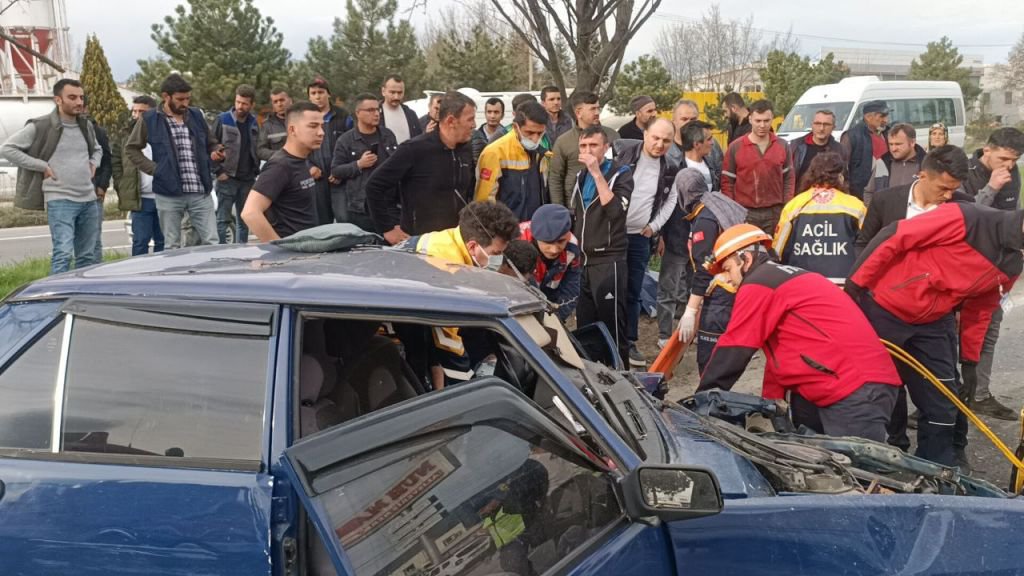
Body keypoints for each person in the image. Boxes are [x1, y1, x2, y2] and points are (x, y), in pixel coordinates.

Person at [847, 200, 1022, 466]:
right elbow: (894, 236)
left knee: (943, 401)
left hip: (935, 320)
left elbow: (981, 309)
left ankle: (935, 468)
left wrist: (970, 361)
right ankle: (887, 457)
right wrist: (856, 285)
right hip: (885, 307)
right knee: (883, 389)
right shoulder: (967, 216)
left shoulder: (1013, 262)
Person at [698, 223, 902, 443]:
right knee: (809, 459)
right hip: (845, 383)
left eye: (728, 269)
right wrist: (772, 400)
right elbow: (783, 348)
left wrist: (702, 399)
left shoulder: (759, 282)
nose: (727, 280)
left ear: (745, 259)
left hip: (854, 389)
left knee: (855, 473)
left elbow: (735, 347)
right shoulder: (785, 277)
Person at [405, 201, 520, 388]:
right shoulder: (447, 266)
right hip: (400, 320)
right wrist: (466, 381)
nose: (498, 260)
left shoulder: (456, 239)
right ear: (473, 245)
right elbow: (447, 337)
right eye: (496, 253)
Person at [1, 78, 103, 274]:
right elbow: (8, 149)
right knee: (63, 253)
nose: (79, 102)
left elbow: (97, 149)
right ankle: (55, 297)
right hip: (60, 198)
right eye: (72, 97)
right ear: (58, 100)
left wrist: (94, 163)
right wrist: (42, 166)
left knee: (88, 255)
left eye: (81, 97)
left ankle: (82, 296)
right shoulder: (41, 125)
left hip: (89, 199)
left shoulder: (86, 125)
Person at [961, 127, 1024, 420]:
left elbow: (1010, 218)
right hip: (965, 266)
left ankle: (980, 394)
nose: (1009, 166)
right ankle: (953, 394)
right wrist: (991, 189)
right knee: (956, 333)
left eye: (1015, 160)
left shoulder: (1013, 175)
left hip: (998, 268)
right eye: (1004, 158)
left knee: (990, 330)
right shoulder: (965, 171)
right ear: (987, 150)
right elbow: (963, 216)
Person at [366, 91, 477, 245]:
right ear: (451, 120)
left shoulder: (465, 150)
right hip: (420, 243)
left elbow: (468, 192)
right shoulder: (414, 149)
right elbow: (374, 186)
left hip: (454, 242)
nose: (474, 125)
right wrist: (387, 228)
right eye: (470, 119)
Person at [124, 73, 219, 249]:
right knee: (171, 246)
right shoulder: (150, 119)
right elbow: (131, 149)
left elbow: (211, 143)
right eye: (180, 99)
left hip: (200, 190)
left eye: (188, 99)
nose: (185, 103)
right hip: (168, 192)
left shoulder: (196, 115)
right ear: (166, 97)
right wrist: (155, 169)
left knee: (211, 241)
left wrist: (216, 152)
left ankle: (209, 275)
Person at [614, 118, 679, 366]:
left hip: (639, 237)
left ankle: (629, 341)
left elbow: (672, 199)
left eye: (666, 140)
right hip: (612, 233)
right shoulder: (622, 154)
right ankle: (606, 337)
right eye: (656, 138)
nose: (660, 144)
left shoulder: (672, 167)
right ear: (645, 134)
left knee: (633, 291)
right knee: (609, 287)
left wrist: (654, 227)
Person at [569, 125, 634, 363]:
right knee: (587, 327)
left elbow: (616, 211)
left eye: (593, 146)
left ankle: (622, 374)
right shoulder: (579, 176)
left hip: (609, 260)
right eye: (583, 146)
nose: (588, 151)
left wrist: (597, 174)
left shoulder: (621, 173)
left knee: (613, 325)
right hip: (584, 262)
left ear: (605, 148)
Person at [673, 168, 747, 372]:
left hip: (721, 294)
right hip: (738, 285)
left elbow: (705, 267)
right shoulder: (719, 204)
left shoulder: (705, 220)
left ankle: (712, 399)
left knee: (709, 361)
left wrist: (690, 310)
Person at [655, 121, 714, 348]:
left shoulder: (710, 166)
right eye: (708, 139)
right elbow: (663, 204)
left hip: (703, 240)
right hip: (677, 238)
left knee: (697, 285)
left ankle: (692, 329)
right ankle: (664, 335)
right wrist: (660, 235)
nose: (712, 143)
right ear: (697, 144)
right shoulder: (673, 168)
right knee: (668, 286)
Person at [774, 153, 865, 285]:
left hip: (803, 285)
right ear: (840, 176)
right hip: (843, 286)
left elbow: (778, 250)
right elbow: (868, 248)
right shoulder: (856, 206)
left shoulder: (794, 205)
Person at [856, 145, 969, 252]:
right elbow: (863, 245)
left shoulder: (964, 206)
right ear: (923, 176)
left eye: (954, 189)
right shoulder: (884, 201)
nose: (948, 196)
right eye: (943, 189)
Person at [241, 101, 323, 241]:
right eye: (313, 126)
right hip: (292, 258)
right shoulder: (280, 166)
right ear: (292, 130)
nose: (321, 132)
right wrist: (280, 250)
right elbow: (250, 213)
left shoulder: (301, 160)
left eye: (322, 126)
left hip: (307, 253)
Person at [721, 99, 794, 234]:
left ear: (772, 119)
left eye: (766, 121)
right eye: (758, 121)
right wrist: (732, 211)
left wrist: (786, 206)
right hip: (744, 212)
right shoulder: (735, 147)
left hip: (774, 213)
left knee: (774, 253)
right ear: (750, 119)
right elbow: (727, 182)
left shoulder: (782, 146)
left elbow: (788, 179)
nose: (762, 125)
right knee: (748, 254)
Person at [330, 93, 399, 232]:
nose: (376, 114)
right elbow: (336, 170)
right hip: (361, 207)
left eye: (377, 109)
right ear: (358, 113)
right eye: (370, 110)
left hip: (389, 204)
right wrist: (358, 165)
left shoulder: (387, 135)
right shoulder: (346, 140)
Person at [475, 101, 548, 222]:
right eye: (529, 133)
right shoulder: (495, 152)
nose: (535, 139)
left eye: (540, 133)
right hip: (506, 229)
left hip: (533, 227)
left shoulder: (541, 154)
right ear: (515, 127)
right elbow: (485, 202)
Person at [549, 91, 619, 208]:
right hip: (575, 207)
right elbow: (556, 178)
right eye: (592, 109)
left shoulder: (612, 136)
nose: (597, 113)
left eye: (598, 108)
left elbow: (620, 169)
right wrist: (560, 210)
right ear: (578, 112)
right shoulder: (564, 141)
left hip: (606, 205)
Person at [113, 95, 163, 255]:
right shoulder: (124, 136)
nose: (136, 115)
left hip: (164, 196)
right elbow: (116, 162)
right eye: (134, 111)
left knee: (163, 241)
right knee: (140, 241)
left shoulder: (162, 133)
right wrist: (121, 185)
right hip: (140, 199)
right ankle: (138, 275)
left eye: (141, 111)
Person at [211, 84, 260, 244]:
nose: (240, 106)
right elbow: (210, 146)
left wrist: (255, 171)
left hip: (247, 180)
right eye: (238, 102)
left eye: (245, 103)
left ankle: (242, 254)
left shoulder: (254, 123)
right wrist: (219, 172)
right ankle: (220, 254)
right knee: (222, 220)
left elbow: (257, 148)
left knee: (244, 220)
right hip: (227, 178)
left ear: (251, 104)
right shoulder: (222, 119)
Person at [518, 204, 581, 322]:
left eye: (561, 241)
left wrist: (554, 320)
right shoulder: (517, 240)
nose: (554, 249)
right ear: (535, 236)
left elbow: (571, 289)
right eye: (548, 242)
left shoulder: (572, 247)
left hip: (550, 303)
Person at [306, 76, 351, 225]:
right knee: (321, 224)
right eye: (313, 93)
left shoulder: (343, 116)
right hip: (316, 180)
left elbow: (352, 145)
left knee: (345, 221)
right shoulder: (304, 118)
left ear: (328, 93)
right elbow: (297, 147)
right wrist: (309, 167)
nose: (317, 96)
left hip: (340, 181)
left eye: (321, 92)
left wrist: (341, 171)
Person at [667, 99, 723, 188]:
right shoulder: (666, 149)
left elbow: (720, 173)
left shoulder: (712, 143)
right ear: (674, 121)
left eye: (693, 119)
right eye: (684, 119)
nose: (689, 123)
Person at [841, 100, 889, 201]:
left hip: (885, 190)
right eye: (882, 116)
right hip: (859, 194)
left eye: (887, 116)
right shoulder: (851, 136)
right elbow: (841, 168)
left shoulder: (889, 133)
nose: (886, 120)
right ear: (868, 117)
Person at [83, 97, 112, 263]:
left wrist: (102, 186)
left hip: (94, 191)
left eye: (81, 102)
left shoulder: (97, 130)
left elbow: (107, 160)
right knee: (69, 242)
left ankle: (94, 273)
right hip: (68, 193)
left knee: (94, 237)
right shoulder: (58, 129)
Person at [790, 109, 844, 188]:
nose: (821, 128)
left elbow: (845, 179)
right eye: (817, 123)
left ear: (833, 127)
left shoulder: (840, 150)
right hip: (801, 197)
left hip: (830, 198)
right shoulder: (796, 146)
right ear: (812, 125)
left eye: (826, 124)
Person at [380, 74, 422, 144]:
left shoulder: (411, 115)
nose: (396, 97)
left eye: (400, 93)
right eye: (392, 92)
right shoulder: (375, 114)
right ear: (383, 91)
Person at [881, 123, 926, 189]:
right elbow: (869, 192)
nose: (893, 149)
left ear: (912, 142)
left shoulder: (928, 164)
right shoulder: (883, 162)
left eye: (898, 144)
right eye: (891, 144)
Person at [257, 87, 292, 162]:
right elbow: (260, 150)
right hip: (279, 167)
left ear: (290, 101)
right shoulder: (267, 126)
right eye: (275, 102)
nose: (279, 104)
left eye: (282, 100)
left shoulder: (301, 121)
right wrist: (280, 155)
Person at [472, 97, 508, 162]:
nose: (492, 116)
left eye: (496, 112)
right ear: (485, 114)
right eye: (489, 112)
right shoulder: (474, 137)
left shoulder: (508, 137)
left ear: (502, 115)